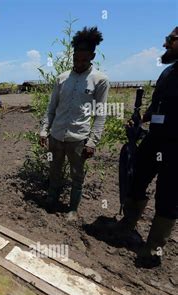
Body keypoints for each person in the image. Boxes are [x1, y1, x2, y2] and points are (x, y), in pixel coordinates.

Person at [114, 27, 178, 267]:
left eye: (170, 40)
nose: (165, 45)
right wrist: (140, 120)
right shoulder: (168, 74)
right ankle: (128, 224)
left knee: (168, 198)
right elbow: (157, 107)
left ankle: (153, 249)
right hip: (155, 141)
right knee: (137, 180)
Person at [39, 26, 109, 222]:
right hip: (56, 136)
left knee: (77, 176)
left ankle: (73, 209)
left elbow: (100, 114)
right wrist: (44, 130)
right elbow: (51, 107)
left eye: (83, 60)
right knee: (54, 170)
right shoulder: (62, 78)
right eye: (76, 59)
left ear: (92, 56)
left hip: (78, 139)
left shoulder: (100, 80)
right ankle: (51, 200)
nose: (78, 63)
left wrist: (92, 142)